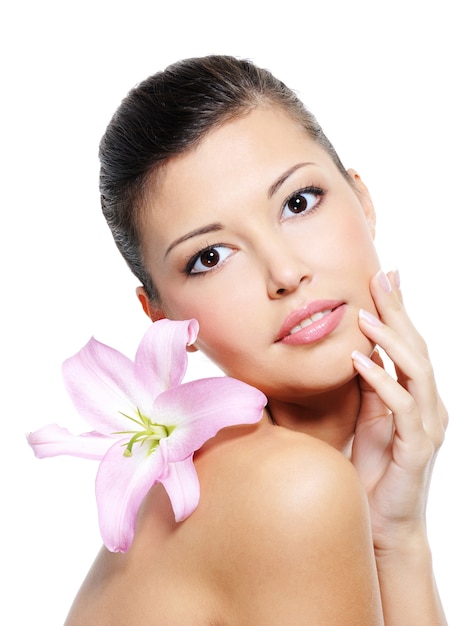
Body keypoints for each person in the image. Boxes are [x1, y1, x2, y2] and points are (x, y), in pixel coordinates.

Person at [65, 55, 448, 625]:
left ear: (363, 200)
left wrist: (397, 536)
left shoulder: (271, 473)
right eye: (209, 257)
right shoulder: (288, 486)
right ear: (163, 317)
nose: (285, 273)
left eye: (298, 202)